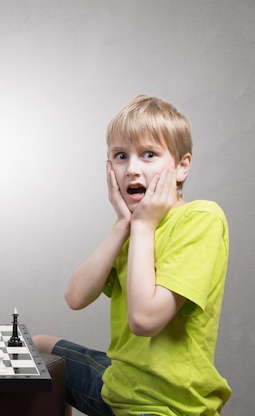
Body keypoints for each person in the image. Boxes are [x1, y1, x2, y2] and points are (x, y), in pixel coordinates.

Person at [33, 95, 231, 416]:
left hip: (165, 406)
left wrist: (142, 228)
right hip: (119, 385)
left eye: (149, 154)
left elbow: (144, 320)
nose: (132, 169)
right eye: (121, 156)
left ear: (182, 166)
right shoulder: (132, 227)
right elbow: (75, 297)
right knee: (40, 345)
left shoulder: (201, 218)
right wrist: (123, 224)